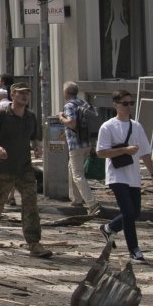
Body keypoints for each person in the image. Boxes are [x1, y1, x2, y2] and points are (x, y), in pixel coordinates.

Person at [0, 83, 53, 257]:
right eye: (20, 93)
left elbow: (35, 138)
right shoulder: (2, 115)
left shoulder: (31, 117)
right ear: (12, 95)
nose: (24, 96)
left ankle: (34, 242)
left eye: (27, 93)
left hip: (24, 168)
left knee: (30, 203)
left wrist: (37, 147)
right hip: (3, 167)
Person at [97, 90, 151, 261]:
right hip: (116, 175)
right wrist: (124, 150)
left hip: (133, 175)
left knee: (135, 213)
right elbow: (101, 152)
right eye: (125, 104)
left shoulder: (137, 126)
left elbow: (145, 153)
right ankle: (134, 248)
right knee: (128, 212)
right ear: (115, 105)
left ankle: (109, 227)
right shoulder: (108, 126)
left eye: (131, 103)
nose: (128, 107)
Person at [59, 82, 102, 217]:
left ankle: (92, 203)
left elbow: (72, 123)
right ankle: (76, 199)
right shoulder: (84, 103)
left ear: (66, 93)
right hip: (87, 142)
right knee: (71, 167)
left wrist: (61, 118)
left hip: (75, 144)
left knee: (78, 175)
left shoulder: (69, 105)